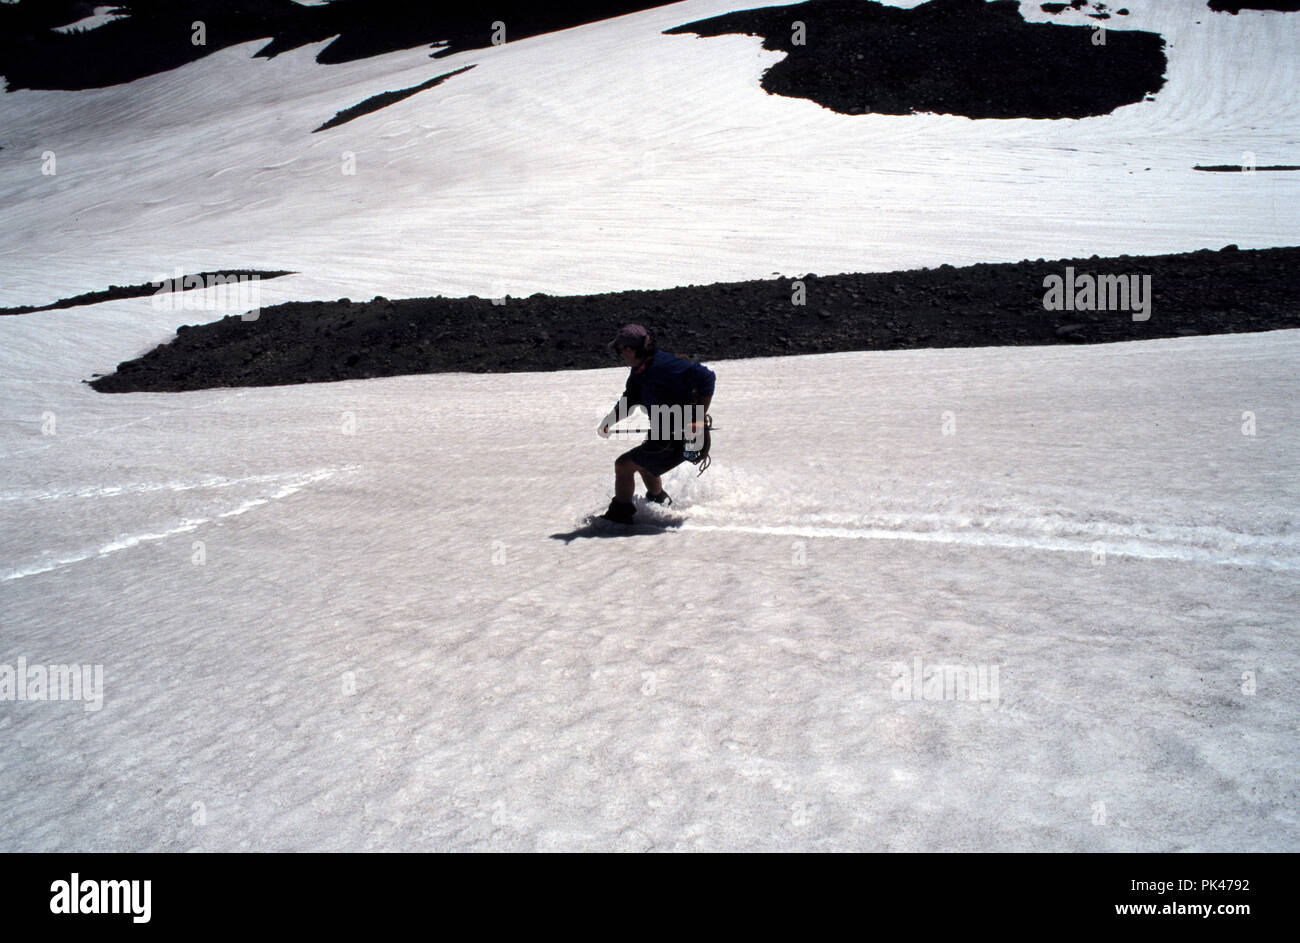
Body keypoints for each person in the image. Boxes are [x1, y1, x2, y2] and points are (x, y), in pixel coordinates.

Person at [596, 324, 715, 524]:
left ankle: (620, 515)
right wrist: (609, 421)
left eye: (620, 350)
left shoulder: (666, 365)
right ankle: (659, 500)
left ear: (630, 349)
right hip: (662, 438)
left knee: (623, 465)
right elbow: (630, 400)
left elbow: (707, 378)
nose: (620, 355)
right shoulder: (639, 371)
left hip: (681, 439)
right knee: (644, 463)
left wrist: (699, 419)